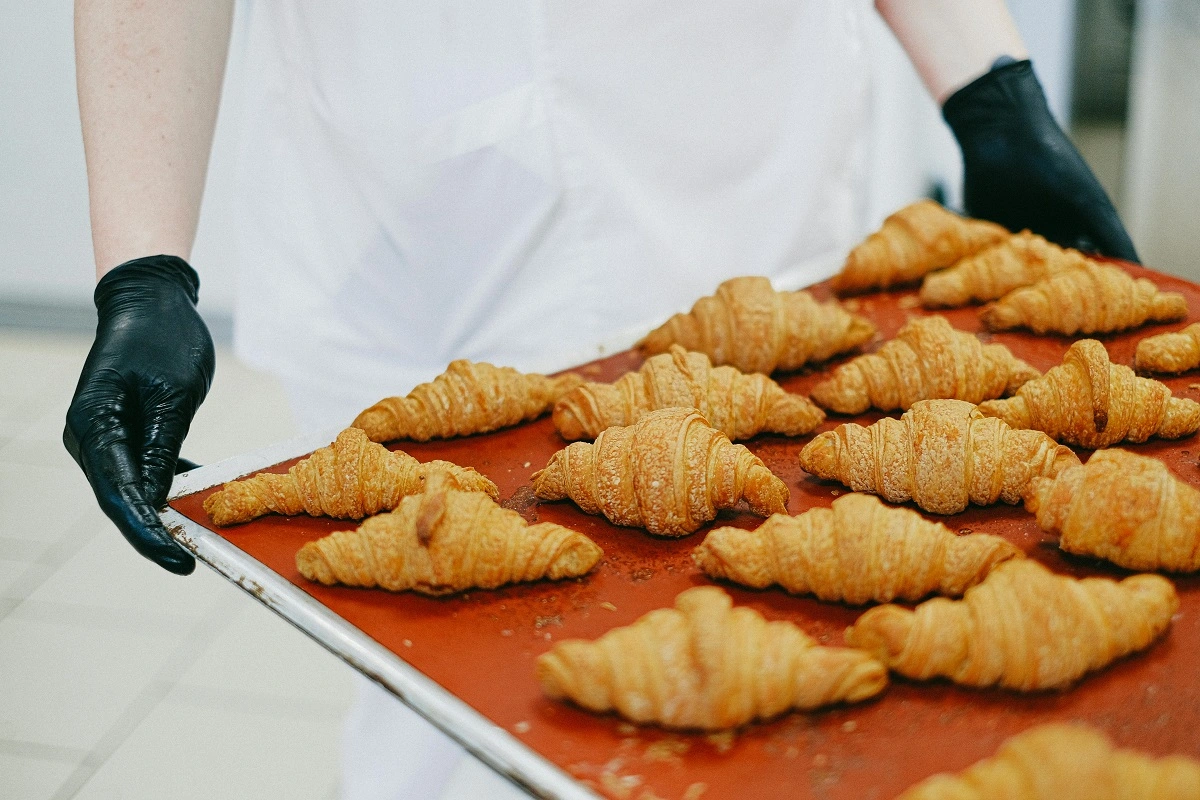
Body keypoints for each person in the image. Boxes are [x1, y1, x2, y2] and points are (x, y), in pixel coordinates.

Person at [65, 1, 1137, 797]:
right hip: (431, 211)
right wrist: (144, 266)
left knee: (769, 704)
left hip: (759, 159)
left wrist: (988, 86)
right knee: (450, 704)